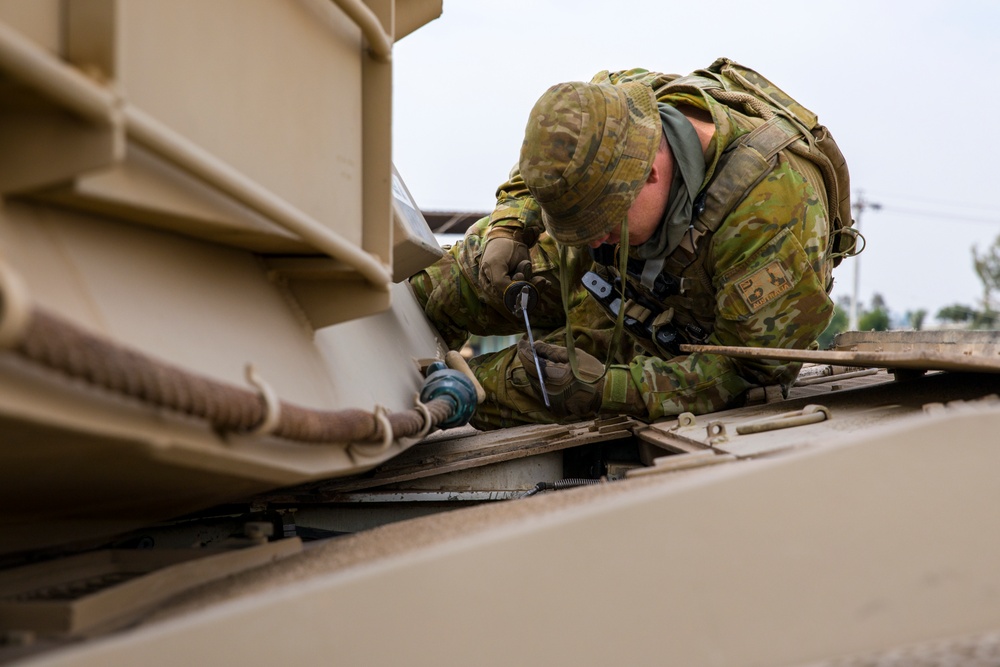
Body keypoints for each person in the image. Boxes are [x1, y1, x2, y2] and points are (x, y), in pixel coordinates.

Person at [410, 58, 857, 430]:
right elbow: (548, 163)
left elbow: (749, 372)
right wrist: (511, 226)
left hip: (680, 340)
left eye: (601, 223)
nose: (591, 239)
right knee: (439, 286)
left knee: (500, 387)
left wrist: (606, 389)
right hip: (614, 279)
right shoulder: (615, 105)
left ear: (649, 173)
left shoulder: (770, 217)